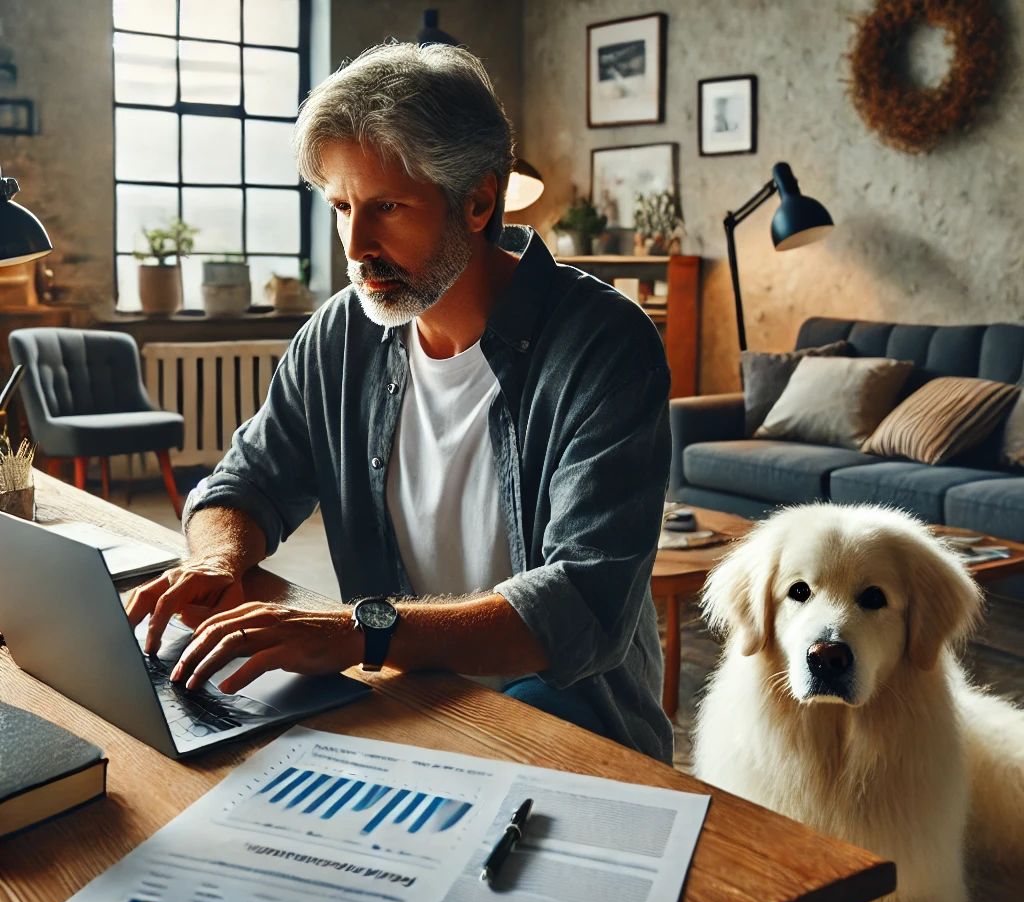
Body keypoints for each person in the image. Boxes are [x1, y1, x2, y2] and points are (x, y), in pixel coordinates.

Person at [126, 42, 674, 763]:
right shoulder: (340, 334)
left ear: (479, 200)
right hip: (405, 706)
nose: (355, 246)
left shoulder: (606, 345)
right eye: (341, 206)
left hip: (570, 725)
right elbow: (247, 482)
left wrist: (361, 630)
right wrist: (215, 562)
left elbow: (582, 602)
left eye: (385, 206)